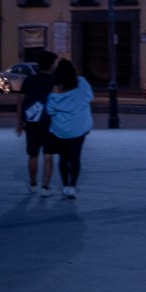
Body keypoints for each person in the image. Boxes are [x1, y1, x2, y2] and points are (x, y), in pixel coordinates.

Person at [46, 58, 94, 198]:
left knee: (63, 158)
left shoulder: (56, 89)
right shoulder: (83, 83)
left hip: (61, 129)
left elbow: (50, 110)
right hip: (79, 127)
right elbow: (89, 97)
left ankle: (65, 185)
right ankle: (72, 186)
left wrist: (55, 96)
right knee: (75, 157)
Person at [16, 49, 57, 195]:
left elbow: (20, 102)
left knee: (32, 154)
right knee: (48, 154)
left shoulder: (29, 80)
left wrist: (20, 123)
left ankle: (33, 184)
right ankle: (45, 187)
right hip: (49, 122)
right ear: (51, 65)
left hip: (31, 122)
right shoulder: (54, 81)